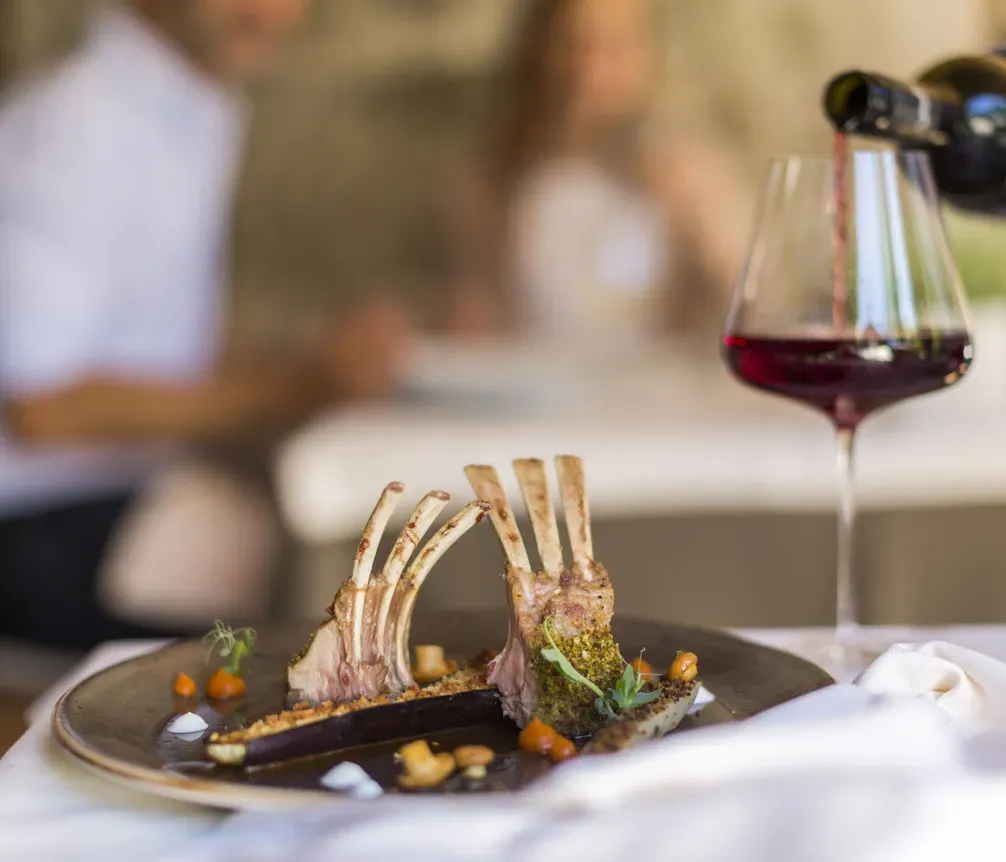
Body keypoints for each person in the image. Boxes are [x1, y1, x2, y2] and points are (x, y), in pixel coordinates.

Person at [0, 0, 409, 650]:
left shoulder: (190, 108)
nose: (273, 12)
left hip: (115, 494)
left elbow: (164, 352)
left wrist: (319, 370)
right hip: (38, 523)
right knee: (287, 579)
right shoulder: (74, 129)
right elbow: (41, 409)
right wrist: (302, 386)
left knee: (336, 549)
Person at [448, 0, 749, 354]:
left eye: (614, 46)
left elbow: (759, 303)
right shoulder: (497, 177)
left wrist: (703, 221)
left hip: (658, 391)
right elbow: (476, 313)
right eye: (572, 44)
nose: (589, 67)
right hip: (535, 389)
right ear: (538, 52)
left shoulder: (688, 169)